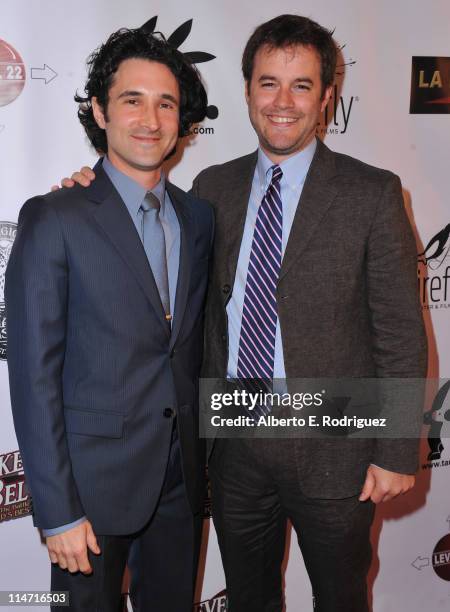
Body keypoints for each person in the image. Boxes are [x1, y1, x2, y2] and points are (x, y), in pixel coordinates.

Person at [59, 14, 427, 612]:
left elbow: (400, 331)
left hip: (336, 449)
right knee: (249, 600)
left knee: (341, 598)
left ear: (327, 97)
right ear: (249, 90)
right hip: (235, 450)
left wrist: (394, 446)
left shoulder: (373, 192)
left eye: (301, 85)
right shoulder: (212, 189)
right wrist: (85, 187)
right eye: (268, 83)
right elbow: (141, 232)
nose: (283, 102)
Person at [6, 28, 213, 612]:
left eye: (165, 103)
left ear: (182, 120)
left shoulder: (198, 218)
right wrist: (58, 510)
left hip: (180, 483)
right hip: (90, 494)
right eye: (131, 99)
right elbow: (33, 379)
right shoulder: (55, 217)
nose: (150, 119)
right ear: (100, 111)